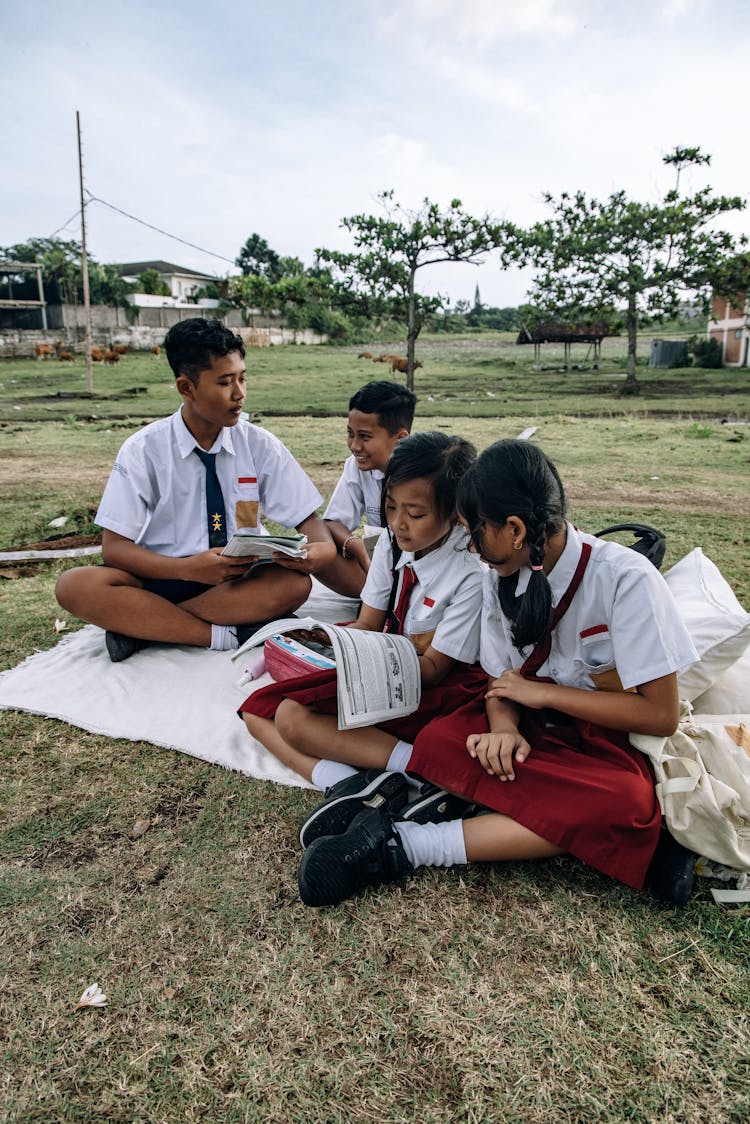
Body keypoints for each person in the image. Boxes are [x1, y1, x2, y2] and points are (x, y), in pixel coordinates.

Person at [296, 439, 701, 909]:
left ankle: (406, 845)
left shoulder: (625, 578)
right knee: (439, 743)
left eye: (474, 531)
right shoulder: (498, 572)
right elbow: (499, 681)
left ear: (513, 529)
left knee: (625, 800)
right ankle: (540, 816)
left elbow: (659, 715)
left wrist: (543, 696)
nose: (469, 546)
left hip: (594, 738)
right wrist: (504, 729)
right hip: (526, 729)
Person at [240, 430, 486, 832]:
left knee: (290, 718)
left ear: (457, 513)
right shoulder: (393, 543)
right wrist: (336, 648)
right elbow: (369, 623)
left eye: (416, 514)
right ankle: (348, 783)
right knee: (256, 711)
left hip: (436, 686)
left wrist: (360, 669)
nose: (398, 523)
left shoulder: (469, 573)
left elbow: (436, 669)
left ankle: (417, 768)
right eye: (390, 507)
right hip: (383, 671)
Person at [55, 317, 336, 662]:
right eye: (224, 382)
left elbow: (311, 526)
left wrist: (321, 551)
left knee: (294, 585)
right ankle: (224, 634)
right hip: (162, 576)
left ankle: (144, 625)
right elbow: (114, 550)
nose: (239, 393)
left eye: (242, 378)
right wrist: (188, 569)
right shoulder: (144, 449)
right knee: (75, 586)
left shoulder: (259, 444)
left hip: (237, 581)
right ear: (186, 388)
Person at [312, 379, 417, 597]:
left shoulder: (425, 473)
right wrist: (355, 546)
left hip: (422, 570)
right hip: (379, 567)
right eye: (351, 433)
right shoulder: (358, 466)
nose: (355, 446)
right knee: (321, 549)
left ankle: (397, 600)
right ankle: (382, 599)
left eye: (365, 437)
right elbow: (333, 523)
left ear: (400, 439)